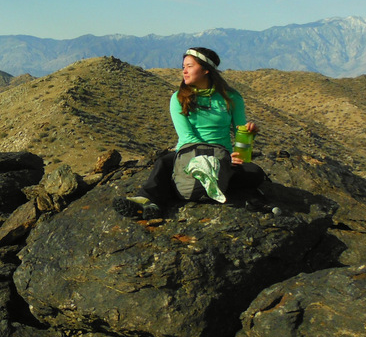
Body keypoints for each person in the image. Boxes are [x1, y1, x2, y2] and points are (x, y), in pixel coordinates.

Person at [114, 47, 268, 219]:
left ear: (206, 70)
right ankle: (146, 200)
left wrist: (248, 133)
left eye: (189, 66)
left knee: (254, 172)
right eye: (183, 67)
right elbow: (187, 136)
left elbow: (241, 131)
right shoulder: (178, 98)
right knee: (164, 163)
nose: (184, 71)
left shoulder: (231, 97)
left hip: (222, 155)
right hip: (188, 152)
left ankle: (179, 191)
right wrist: (208, 158)